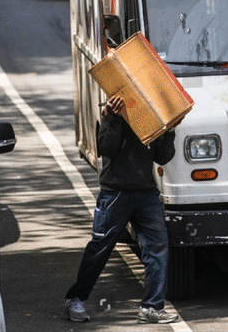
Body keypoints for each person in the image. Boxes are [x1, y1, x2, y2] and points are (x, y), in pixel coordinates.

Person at [64, 95, 179, 324]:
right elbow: (106, 148)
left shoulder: (152, 115)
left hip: (146, 194)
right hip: (115, 193)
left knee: (157, 248)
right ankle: (75, 298)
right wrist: (113, 118)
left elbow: (163, 158)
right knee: (100, 248)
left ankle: (151, 308)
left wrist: (169, 130)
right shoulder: (113, 113)